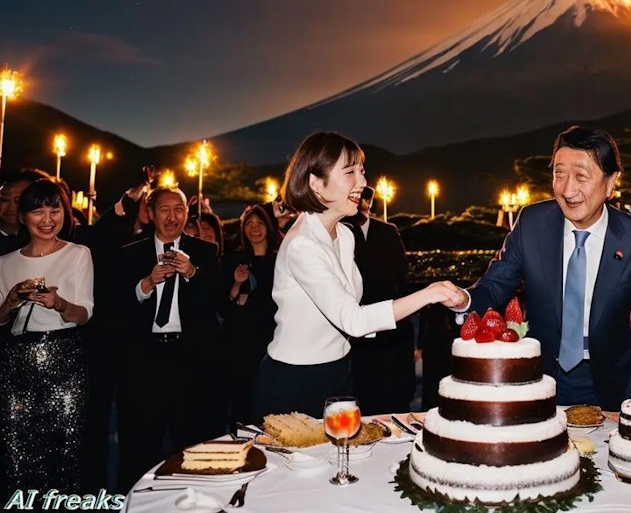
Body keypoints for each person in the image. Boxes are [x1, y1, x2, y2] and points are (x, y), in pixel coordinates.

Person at [450, 126, 631, 410]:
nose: (568, 190)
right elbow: (495, 286)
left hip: (610, 383)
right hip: (536, 378)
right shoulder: (532, 223)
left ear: (611, 182)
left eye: (581, 176)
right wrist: (464, 301)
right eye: (559, 174)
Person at [251, 131, 463, 419]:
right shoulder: (302, 245)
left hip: (339, 370)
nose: (362, 183)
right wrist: (429, 294)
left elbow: (353, 308)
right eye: (349, 172)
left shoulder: (345, 234)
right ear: (315, 183)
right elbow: (353, 319)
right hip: (294, 381)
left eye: (362, 172)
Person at [115, 187, 224, 490]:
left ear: (186, 214)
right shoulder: (130, 252)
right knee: (138, 447)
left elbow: (217, 301)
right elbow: (116, 308)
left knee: (191, 445)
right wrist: (146, 284)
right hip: (144, 362)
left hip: (190, 361)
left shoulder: (205, 252)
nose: (172, 216)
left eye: (179, 209)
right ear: (150, 213)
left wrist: (192, 272)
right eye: (165, 209)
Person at [0, 178, 94, 494]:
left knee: (66, 451)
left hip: (65, 358)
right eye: (38, 211)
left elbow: (83, 314)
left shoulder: (79, 254)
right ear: (23, 217)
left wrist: (59, 303)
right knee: (17, 452)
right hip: (16, 364)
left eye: (55, 210)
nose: (48, 219)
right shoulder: (5, 263)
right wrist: (11, 300)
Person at [341, 186, 417, 415]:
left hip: (391, 324)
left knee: (394, 392)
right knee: (362, 391)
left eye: (364, 198)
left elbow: (401, 273)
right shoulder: (339, 233)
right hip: (357, 326)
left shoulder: (387, 230)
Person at [221, 204, 281, 424]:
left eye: (259, 223)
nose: (254, 228)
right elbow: (224, 305)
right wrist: (236, 286)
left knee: (271, 404)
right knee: (242, 404)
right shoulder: (234, 259)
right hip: (240, 343)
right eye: (249, 224)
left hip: (272, 339)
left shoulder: (280, 260)